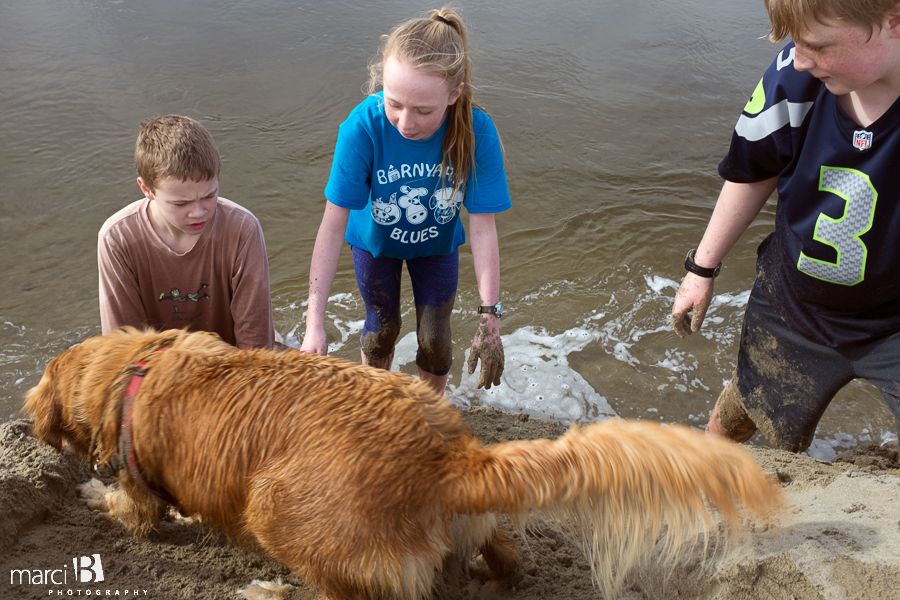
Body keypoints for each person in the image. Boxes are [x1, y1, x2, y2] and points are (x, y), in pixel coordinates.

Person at [671, 0, 900, 452]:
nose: (800, 58)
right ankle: (704, 472)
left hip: (894, 322)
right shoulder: (795, 81)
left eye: (817, 45)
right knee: (747, 411)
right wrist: (702, 269)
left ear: (894, 21)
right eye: (793, 42)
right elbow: (753, 172)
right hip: (794, 306)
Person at [300, 7, 511, 395]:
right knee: (381, 331)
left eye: (423, 110)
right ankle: (381, 406)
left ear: (454, 95)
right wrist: (315, 322)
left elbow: (483, 228)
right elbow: (331, 227)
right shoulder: (362, 127)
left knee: (434, 338)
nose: (405, 123)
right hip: (374, 246)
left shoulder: (476, 131)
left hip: (436, 248)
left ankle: (431, 415)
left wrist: (490, 318)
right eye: (393, 103)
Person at [98, 114, 276, 350]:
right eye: (181, 204)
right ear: (146, 189)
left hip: (230, 367)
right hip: (159, 370)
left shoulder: (243, 229)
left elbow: (255, 346)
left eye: (209, 196)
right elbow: (124, 349)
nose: (199, 212)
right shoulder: (117, 238)